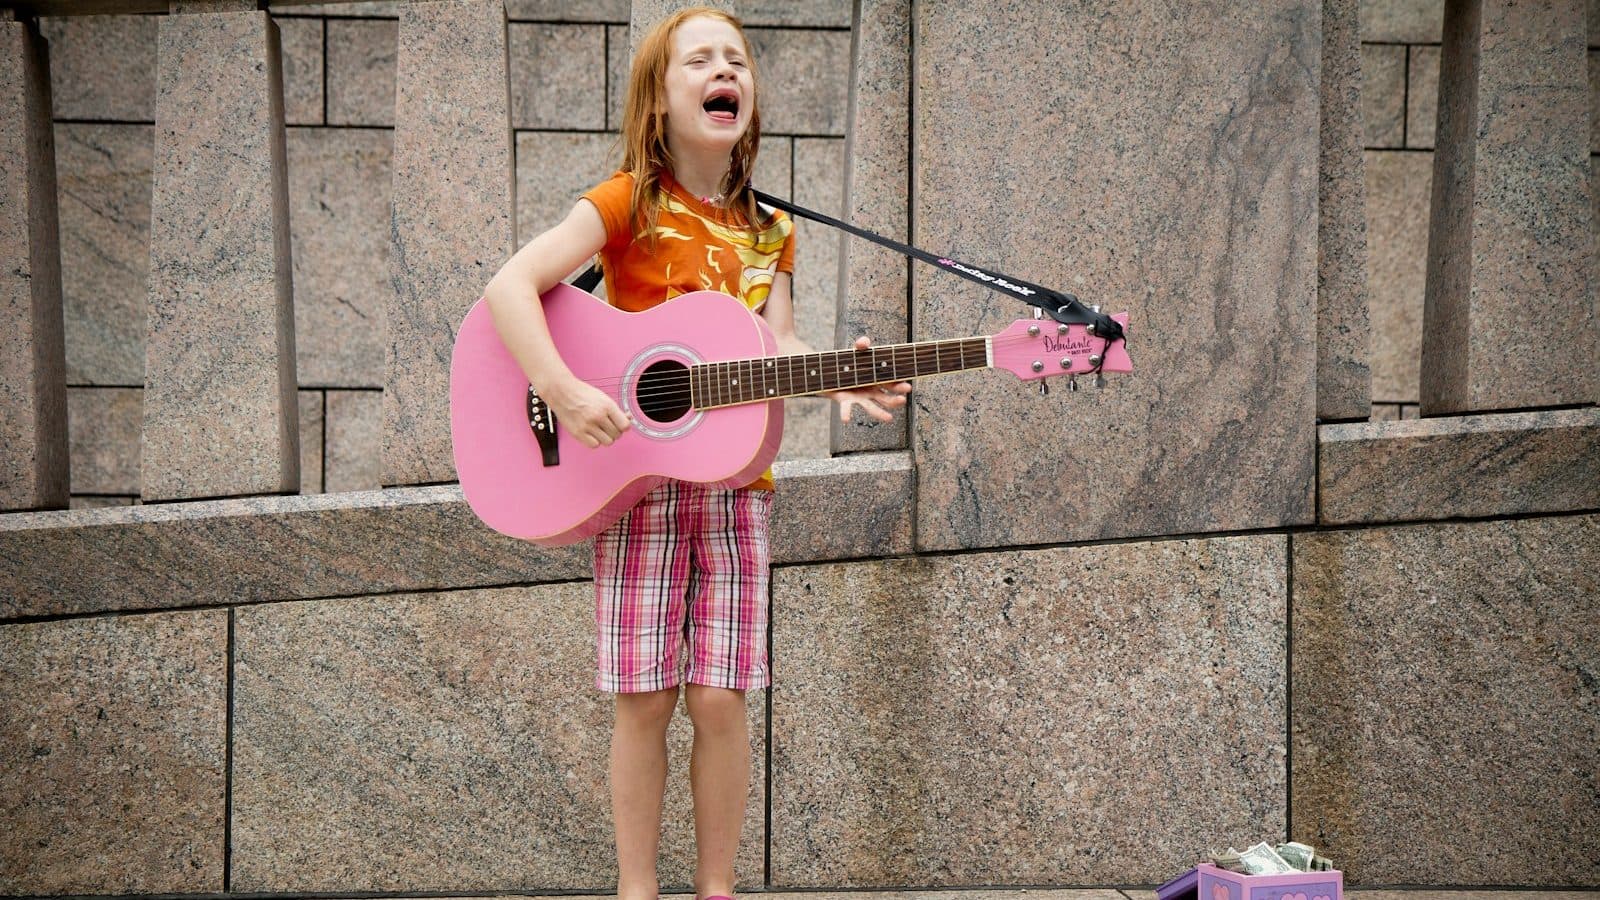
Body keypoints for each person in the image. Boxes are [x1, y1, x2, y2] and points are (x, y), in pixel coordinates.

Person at [480, 8, 910, 900]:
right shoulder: (626, 201)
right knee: (643, 699)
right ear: (659, 98)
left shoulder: (772, 227)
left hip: (738, 485)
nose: (726, 70)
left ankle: (718, 889)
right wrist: (563, 389)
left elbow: (773, 345)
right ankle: (638, 890)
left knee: (721, 696)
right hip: (634, 482)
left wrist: (838, 378)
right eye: (701, 60)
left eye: (738, 60)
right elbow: (510, 287)